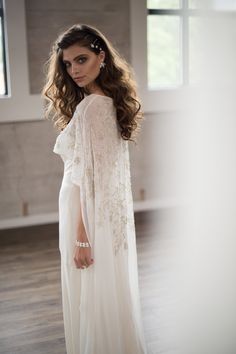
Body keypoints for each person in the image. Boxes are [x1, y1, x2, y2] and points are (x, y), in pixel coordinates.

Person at [42, 23, 147, 354]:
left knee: (91, 291)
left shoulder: (91, 108)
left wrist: (82, 237)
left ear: (101, 57)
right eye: (68, 64)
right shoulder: (109, 101)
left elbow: (86, 179)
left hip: (85, 215)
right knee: (107, 290)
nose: (74, 70)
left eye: (81, 60)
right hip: (104, 215)